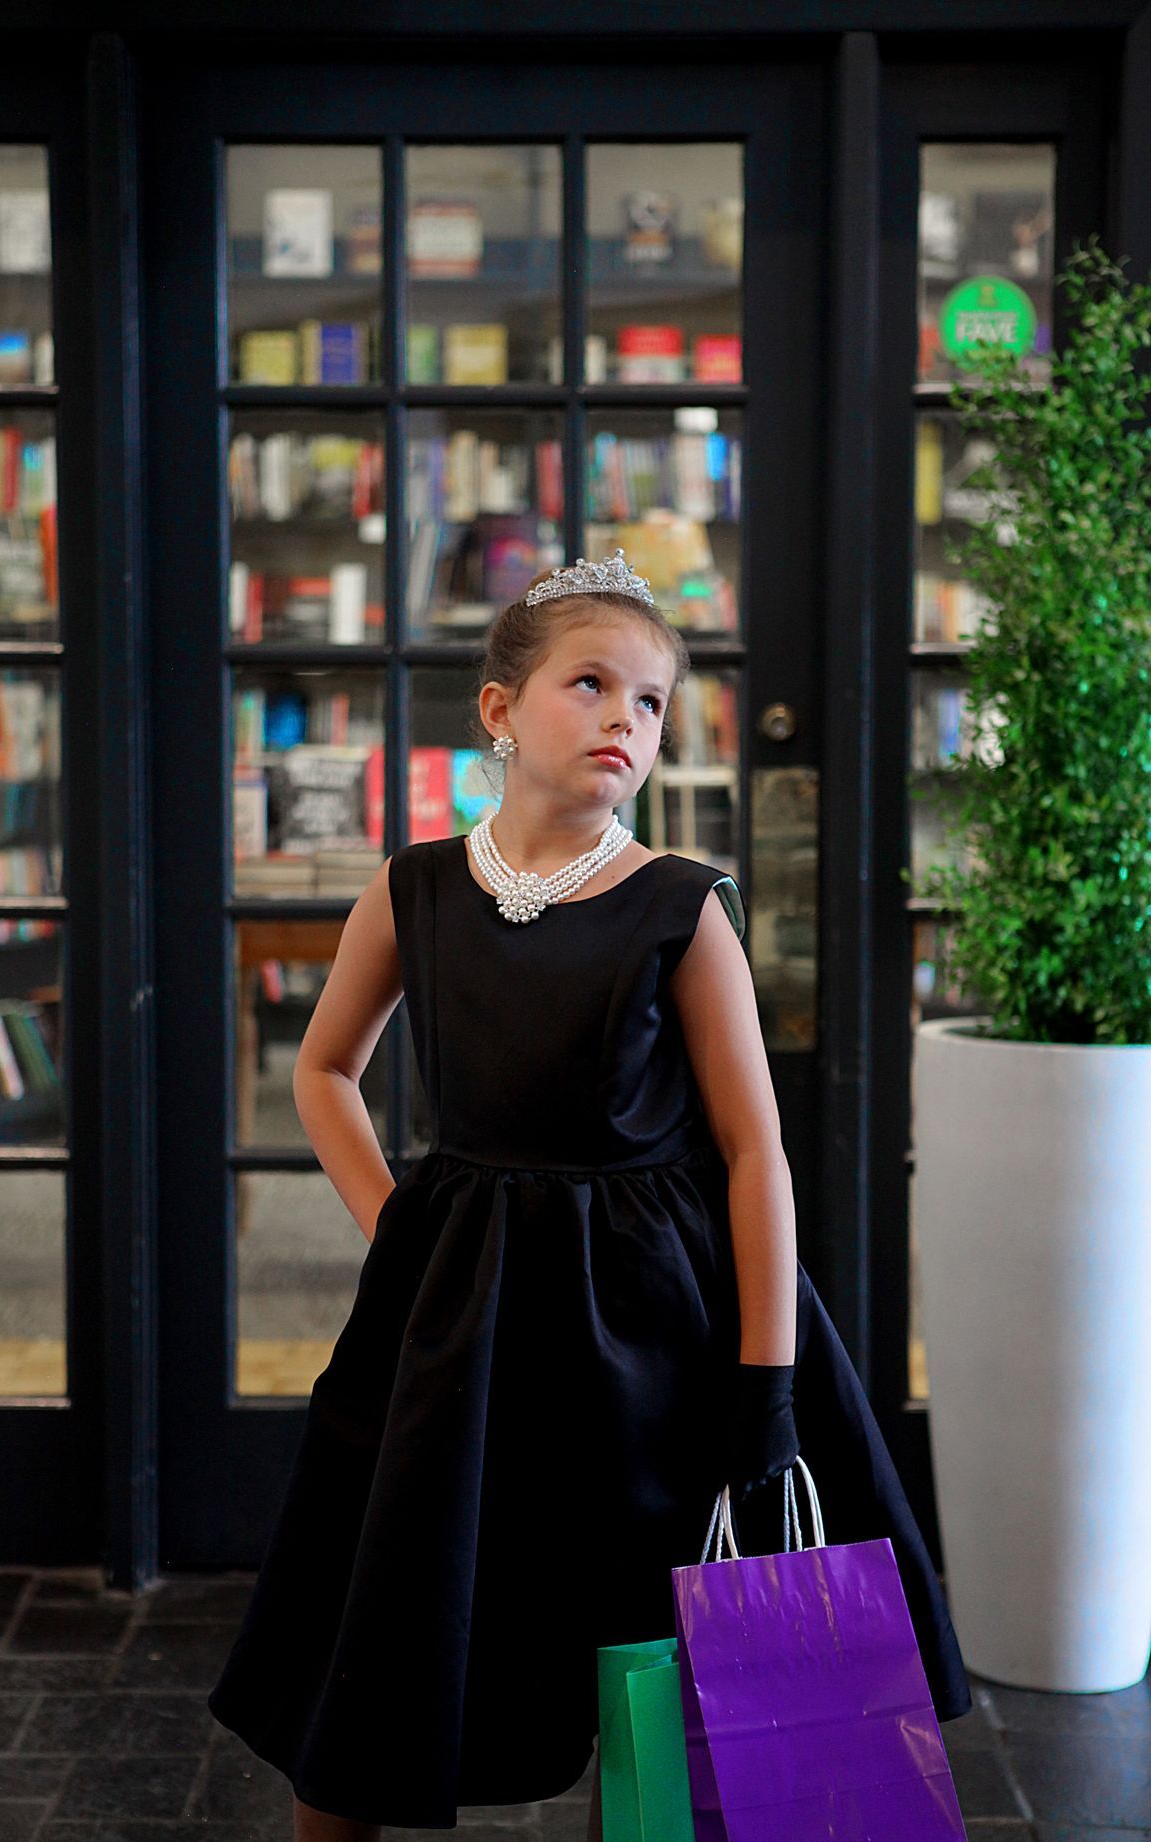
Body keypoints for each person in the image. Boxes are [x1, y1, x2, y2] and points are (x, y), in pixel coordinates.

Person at [207, 551, 972, 1840]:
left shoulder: (681, 910)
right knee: (391, 1617)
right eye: (591, 684)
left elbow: (753, 1154)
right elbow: (326, 1069)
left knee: (661, 1662)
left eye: (654, 702)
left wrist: (767, 1393)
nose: (628, 718)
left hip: (657, 1331)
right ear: (501, 711)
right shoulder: (417, 891)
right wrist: (396, 1222)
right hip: (464, 1318)